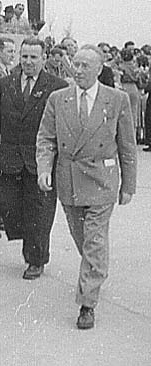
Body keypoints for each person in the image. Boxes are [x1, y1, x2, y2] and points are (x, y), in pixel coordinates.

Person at [36, 45, 136, 330]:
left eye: (84, 66)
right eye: (75, 65)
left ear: (99, 69)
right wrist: (44, 168)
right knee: (85, 241)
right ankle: (95, 269)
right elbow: (46, 139)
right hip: (69, 181)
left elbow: (127, 145)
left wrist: (128, 185)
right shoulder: (58, 99)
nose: (77, 70)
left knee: (94, 240)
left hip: (102, 180)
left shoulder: (116, 100)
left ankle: (87, 304)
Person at [0, 37, 67, 280]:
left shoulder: (57, 86)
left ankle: (36, 258)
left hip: (41, 161)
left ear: (43, 58)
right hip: (10, 157)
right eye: (24, 57)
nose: (28, 62)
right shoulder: (4, 83)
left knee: (39, 211)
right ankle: (30, 246)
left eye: (33, 57)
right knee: (10, 206)